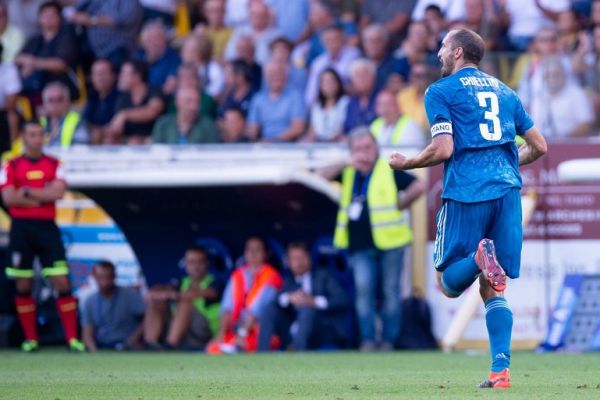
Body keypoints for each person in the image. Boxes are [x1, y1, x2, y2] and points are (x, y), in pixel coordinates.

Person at [388, 29, 547, 389]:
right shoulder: (506, 92)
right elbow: (539, 146)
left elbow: (443, 149)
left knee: (447, 284)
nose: (439, 52)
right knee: (495, 287)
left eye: (443, 47)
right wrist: (506, 166)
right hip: (507, 193)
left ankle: (479, 257)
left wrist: (406, 163)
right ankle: (500, 372)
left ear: (458, 52)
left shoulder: (440, 91)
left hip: (467, 192)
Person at [318, 126, 425, 352]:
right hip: (359, 244)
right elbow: (318, 176)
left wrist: (402, 204)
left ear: (376, 147)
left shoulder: (388, 166)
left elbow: (419, 185)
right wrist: (346, 163)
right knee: (364, 291)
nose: (364, 153)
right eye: (358, 149)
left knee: (390, 293)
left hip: (392, 242)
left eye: (368, 147)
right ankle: (367, 340)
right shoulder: (348, 170)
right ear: (351, 151)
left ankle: (388, 341)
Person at [1, 121, 85, 352]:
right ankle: (31, 339)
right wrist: (42, 194)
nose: (37, 139)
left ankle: (72, 339)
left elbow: (57, 192)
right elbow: (8, 198)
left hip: (47, 227)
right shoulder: (11, 165)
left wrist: (26, 191)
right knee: (23, 283)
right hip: (21, 229)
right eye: (32, 134)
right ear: (23, 138)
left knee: (61, 281)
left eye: (40, 134)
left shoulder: (55, 164)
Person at [258, 242, 350, 351]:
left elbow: (343, 299)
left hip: (321, 331)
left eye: (302, 257)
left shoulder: (323, 276)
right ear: (288, 262)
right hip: (291, 331)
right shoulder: (288, 280)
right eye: (295, 259)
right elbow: (276, 301)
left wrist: (314, 301)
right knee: (269, 310)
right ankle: (262, 352)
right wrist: (289, 297)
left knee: (307, 309)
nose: (299, 262)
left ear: (309, 258)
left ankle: (298, 353)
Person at [207, 236, 282, 354]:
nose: (253, 254)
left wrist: (242, 334)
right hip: (237, 328)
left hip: (260, 330)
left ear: (266, 254)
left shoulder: (271, 277)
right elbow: (227, 308)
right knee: (214, 348)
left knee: (242, 347)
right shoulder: (237, 275)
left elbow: (257, 311)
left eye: (258, 250)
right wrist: (220, 335)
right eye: (249, 249)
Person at [143, 246, 224, 350]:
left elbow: (211, 293)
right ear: (185, 264)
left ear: (206, 263)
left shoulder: (215, 281)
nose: (196, 266)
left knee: (185, 302)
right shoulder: (181, 281)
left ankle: (170, 346)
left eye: (200, 262)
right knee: (156, 302)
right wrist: (155, 293)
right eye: (191, 262)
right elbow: (164, 289)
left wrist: (174, 295)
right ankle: (150, 344)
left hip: (205, 331)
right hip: (182, 329)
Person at [81, 260, 145, 351]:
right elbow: (87, 334)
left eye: (108, 277)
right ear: (94, 277)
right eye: (101, 277)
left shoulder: (129, 295)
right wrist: (94, 352)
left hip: (128, 347)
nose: (105, 282)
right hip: (102, 346)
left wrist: (132, 340)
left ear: (115, 276)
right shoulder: (90, 301)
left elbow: (148, 318)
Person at [106, 60, 165, 145]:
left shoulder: (154, 92)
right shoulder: (123, 98)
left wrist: (125, 115)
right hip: (129, 143)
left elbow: (152, 111)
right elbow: (117, 127)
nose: (120, 77)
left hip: (153, 142)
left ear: (137, 76)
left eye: (124, 74)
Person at [246, 60, 306, 142]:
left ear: (285, 75)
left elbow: (298, 128)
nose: (276, 77)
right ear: (265, 77)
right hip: (264, 147)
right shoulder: (258, 99)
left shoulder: (295, 97)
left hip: (290, 147)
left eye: (279, 73)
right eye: (272, 74)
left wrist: (272, 141)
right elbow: (253, 128)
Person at [152, 86, 219, 144]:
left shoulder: (208, 125)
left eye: (197, 102)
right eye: (189, 101)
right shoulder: (163, 124)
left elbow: (212, 152)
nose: (194, 107)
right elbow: (156, 151)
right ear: (177, 102)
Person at [39, 81, 89, 147]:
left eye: (60, 99)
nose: (55, 104)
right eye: (51, 100)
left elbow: (80, 149)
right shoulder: (39, 123)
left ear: (67, 102)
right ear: (44, 104)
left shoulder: (77, 121)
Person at [305, 68, 349, 142]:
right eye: (324, 82)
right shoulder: (316, 105)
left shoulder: (345, 102)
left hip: (337, 144)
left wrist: (330, 140)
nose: (328, 85)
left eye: (331, 81)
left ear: (338, 83)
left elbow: (342, 129)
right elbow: (312, 130)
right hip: (318, 144)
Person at [82, 59, 120, 145]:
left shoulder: (121, 97)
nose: (100, 77)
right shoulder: (92, 97)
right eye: (96, 74)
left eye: (103, 73)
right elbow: (86, 121)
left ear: (113, 76)